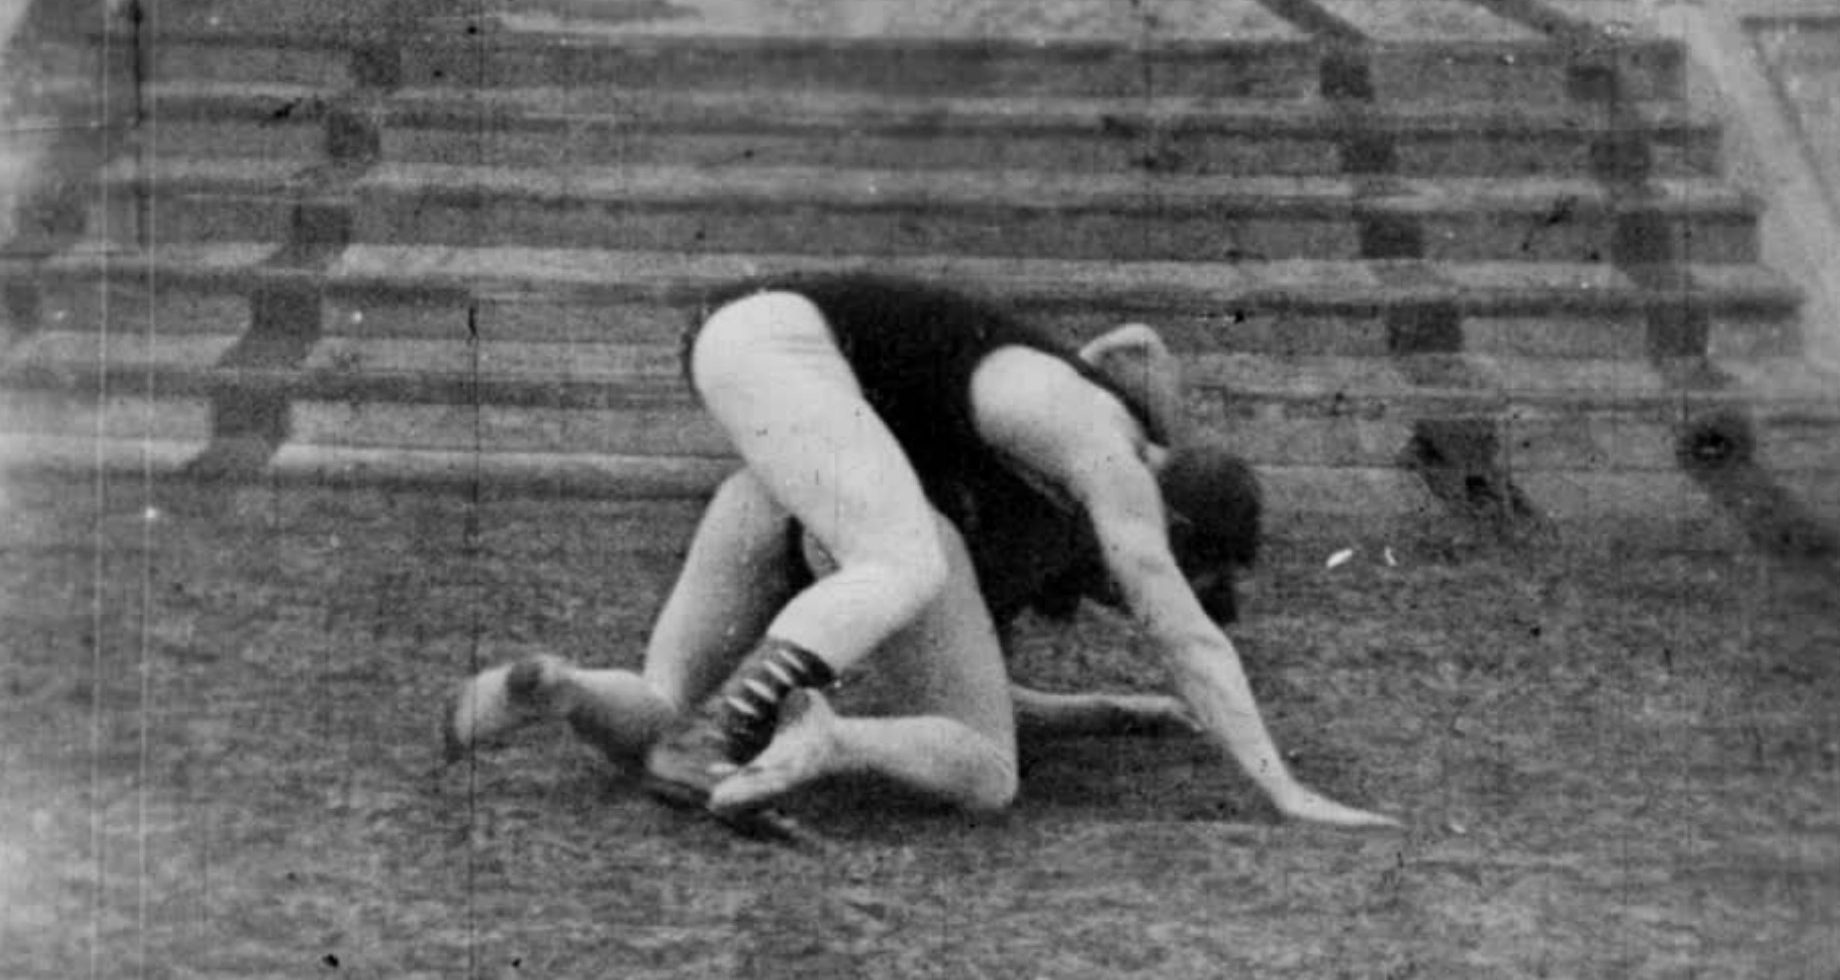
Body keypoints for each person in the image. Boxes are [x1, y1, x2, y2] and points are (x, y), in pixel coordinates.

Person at [445, 272, 1395, 829]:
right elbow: (1175, 634)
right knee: (983, 763)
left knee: (659, 702)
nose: (1120, 591)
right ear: (1174, 526)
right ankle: (807, 737)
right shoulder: (1101, 463)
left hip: (767, 475)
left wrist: (1110, 710)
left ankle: (561, 689)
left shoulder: (1050, 421)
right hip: (791, 362)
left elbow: (1136, 344)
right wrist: (1282, 786)